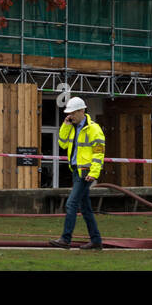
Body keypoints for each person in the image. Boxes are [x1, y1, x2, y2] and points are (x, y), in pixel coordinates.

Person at [49, 97, 105, 251]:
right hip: (77, 171)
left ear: (82, 111)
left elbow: (99, 153)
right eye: (69, 113)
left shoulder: (94, 129)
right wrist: (65, 126)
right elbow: (62, 143)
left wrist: (94, 172)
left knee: (71, 203)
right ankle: (96, 240)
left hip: (85, 172)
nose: (71, 116)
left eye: (73, 113)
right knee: (85, 208)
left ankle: (66, 239)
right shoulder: (73, 128)